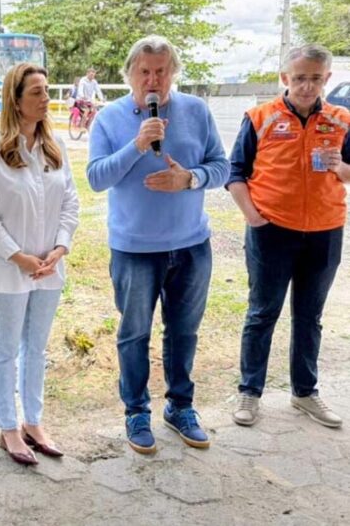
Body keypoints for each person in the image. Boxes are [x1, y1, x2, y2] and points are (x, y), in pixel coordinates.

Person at [86, 35, 229, 454]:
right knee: (134, 333)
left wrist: (190, 178)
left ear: (173, 73)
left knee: (184, 331)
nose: (153, 79)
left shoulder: (196, 111)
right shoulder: (110, 118)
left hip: (191, 246)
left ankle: (180, 407)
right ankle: (136, 411)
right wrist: (136, 145)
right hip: (133, 249)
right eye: (144, 71)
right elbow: (96, 179)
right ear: (128, 73)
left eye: (162, 70)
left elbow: (221, 167)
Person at [228, 44, 349, 429]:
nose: (307, 86)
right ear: (285, 78)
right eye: (299, 78)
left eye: (315, 78)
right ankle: (250, 392)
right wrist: (254, 218)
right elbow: (235, 174)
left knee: (309, 316)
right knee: (262, 313)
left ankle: (305, 393)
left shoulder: (342, 119)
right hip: (271, 232)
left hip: (325, 231)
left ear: (327, 79)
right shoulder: (260, 117)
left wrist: (342, 168)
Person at [0, 63, 79, 465]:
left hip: (49, 270)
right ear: (15, 99)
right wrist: (18, 256)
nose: (46, 98)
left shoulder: (56, 147)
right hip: (7, 270)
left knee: (36, 348)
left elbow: (71, 202)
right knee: (6, 348)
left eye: (47, 90)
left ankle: (34, 422)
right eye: (36, 92)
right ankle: (8, 427)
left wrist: (59, 249)